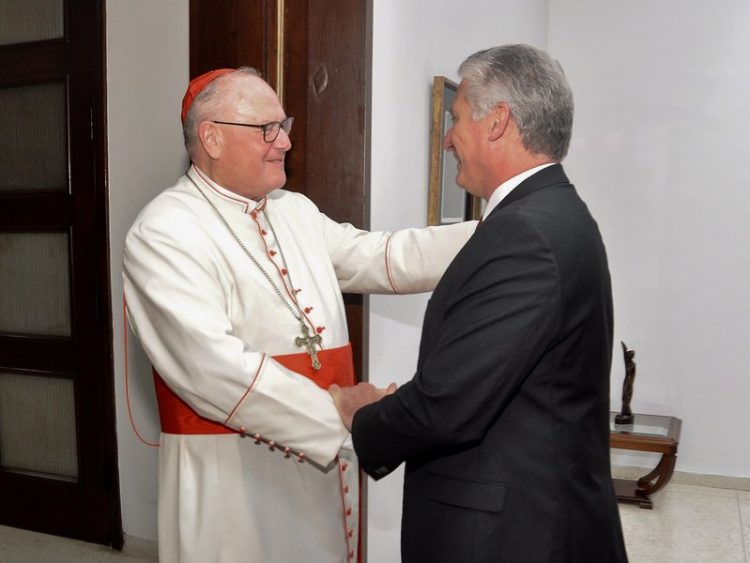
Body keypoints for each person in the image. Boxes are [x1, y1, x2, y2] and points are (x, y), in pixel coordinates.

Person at [122, 66, 474, 563]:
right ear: (212, 138)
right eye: (267, 129)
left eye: (283, 126)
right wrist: (336, 411)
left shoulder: (293, 211)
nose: (284, 142)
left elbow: (381, 256)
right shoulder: (163, 231)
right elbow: (213, 369)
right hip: (234, 479)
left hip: (318, 459)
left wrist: (495, 234)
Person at [330, 44, 629, 562]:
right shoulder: (555, 212)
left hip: (512, 534)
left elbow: (448, 407)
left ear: (497, 122)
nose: (448, 139)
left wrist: (364, 416)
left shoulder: (525, 233)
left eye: (457, 118)